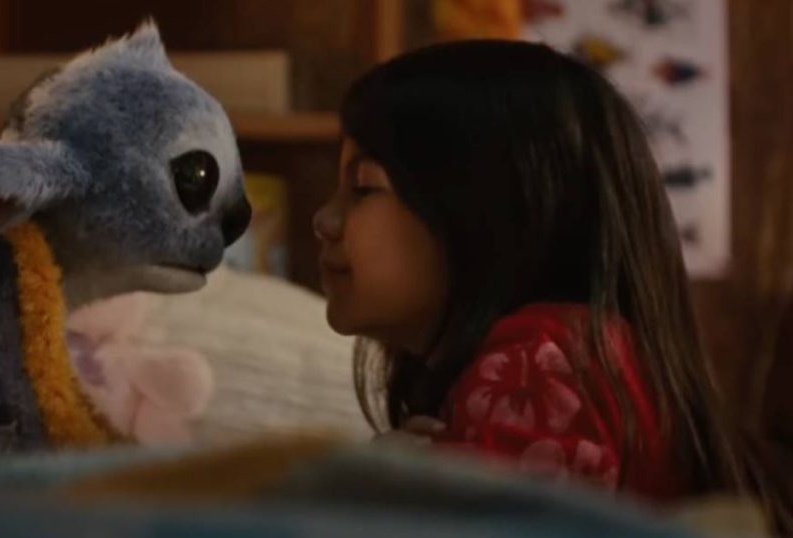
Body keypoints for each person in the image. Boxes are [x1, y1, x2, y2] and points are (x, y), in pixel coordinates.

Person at [313, 39, 789, 528]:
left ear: (485, 215)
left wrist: (373, 495)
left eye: (363, 188)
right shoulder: (565, 353)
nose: (323, 221)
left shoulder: (539, 364)